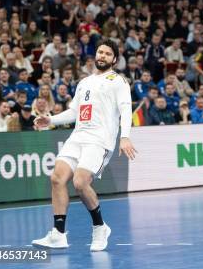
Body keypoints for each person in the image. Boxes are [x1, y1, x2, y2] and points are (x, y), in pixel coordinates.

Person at [31, 39, 137, 252]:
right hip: (77, 137)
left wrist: (124, 137)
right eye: (100, 52)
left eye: (107, 53)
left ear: (114, 59)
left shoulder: (119, 81)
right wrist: (51, 120)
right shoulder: (84, 82)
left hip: (99, 140)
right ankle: (58, 234)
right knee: (57, 178)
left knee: (80, 183)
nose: (102, 56)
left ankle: (100, 227)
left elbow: (126, 110)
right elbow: (74, 112)